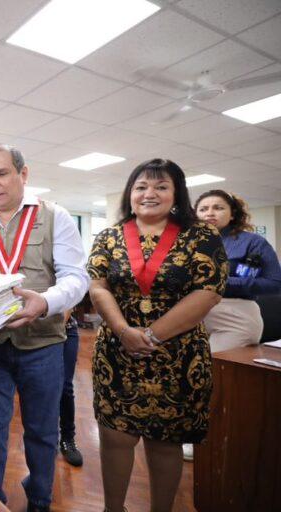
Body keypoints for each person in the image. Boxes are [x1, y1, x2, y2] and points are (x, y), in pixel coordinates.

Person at [0, 144, 89, 511]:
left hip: (43, 344)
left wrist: (45, 302)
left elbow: (77, 278)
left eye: (1, 173)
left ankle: (41, 498)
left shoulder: (55, 215)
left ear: (23, 174)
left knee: (42, 430)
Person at [87, 158, 226, 512]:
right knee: (115, 436)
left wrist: (148, 336)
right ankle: (112, 508)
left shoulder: (202, 236)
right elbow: (97, 285)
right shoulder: (108, 236)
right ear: (129, 194)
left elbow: (208, 291)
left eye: (161, 186)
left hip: (177, 355)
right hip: (118, 351)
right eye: (141, 187)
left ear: (176, 193)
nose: (150, 193)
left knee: (166, 442)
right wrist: (123, 331)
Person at [195, 189, 281, 352]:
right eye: (203, 209)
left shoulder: (253, 242)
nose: (210, 213)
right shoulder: (188, 243)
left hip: (234, 317)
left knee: (217, 372)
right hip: (192, 317)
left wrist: (221, 283)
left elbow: (275, 283)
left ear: (232, 214)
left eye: (218, 208)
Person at [59, 310, 83, 467]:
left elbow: (70, 303)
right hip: (30, 335)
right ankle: (45, 435)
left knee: (65, 386)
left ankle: (68, 438)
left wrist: (53, 328)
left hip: (65, 330)